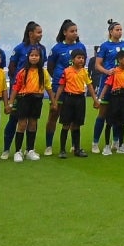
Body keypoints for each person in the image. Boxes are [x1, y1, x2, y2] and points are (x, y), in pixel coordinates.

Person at [44, 20, 87, 156]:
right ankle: (49, 145)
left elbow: (81, 67)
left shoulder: (81, 46)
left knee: (74, 118)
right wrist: (60, 79)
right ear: (64, 33)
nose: (75, 33)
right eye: (72, 31)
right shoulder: (57, 48)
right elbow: (50, 67)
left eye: (76, 31)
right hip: (59, 87)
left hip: (75, 90)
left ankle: (75, 146)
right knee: (54, 114)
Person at [1, 22, 44, 159]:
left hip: (35, 94)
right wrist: (18, 85)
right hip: (20, 92)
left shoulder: (41, 49)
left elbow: (42, 69)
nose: (41, 35)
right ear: (31, 34)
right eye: (38, 32)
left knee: (32, 121)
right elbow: (12, 67)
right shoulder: (20, 48)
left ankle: (29, 149)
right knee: (16, 120)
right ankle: (8, 149)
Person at [91, 20, 124, 151]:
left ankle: (116, 142)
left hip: (120, 86)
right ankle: (95, 143)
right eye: (117, 29)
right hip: (107, 84)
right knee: (102, 114)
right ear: (111, 32)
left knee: (117, 114)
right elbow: (97, 65)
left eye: (121, 29)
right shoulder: (105, 46)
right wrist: (107, 72)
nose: (119, 32)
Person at [8, 45, 49, 162]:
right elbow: (16, 87)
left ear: (40, 58)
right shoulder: (23, 72)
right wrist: (11, 102)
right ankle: (18, 151)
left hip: (37, 99)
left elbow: (48, 86)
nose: (34, 58)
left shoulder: (43, 72)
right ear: (28, 57)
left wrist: (53, 99)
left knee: (32, 123)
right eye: (32, 55)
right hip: (24, 99)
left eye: (36, 55)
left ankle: (30, 150)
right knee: (21, 124)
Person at [50, 48, 91, 158]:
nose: (81, 60)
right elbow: (61, 86)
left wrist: (95, 99)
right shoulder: (67, 71)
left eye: (82, 58)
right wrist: (55, 100)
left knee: (77, 125)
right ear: (72, 59)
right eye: (78, 58)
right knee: (66, 125)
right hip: (69, 99)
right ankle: (62, 150)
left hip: (80, 99)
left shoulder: (84, 72)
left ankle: (77, 148)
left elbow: (89, 85)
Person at [99, 52, 124, 155]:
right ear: (120, 60)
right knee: (109, 122)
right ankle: (107, 146)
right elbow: (107, 85)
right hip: (114, 98)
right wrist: (99, 99)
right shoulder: (114, 72)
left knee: (121, 122)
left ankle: (121, 145)